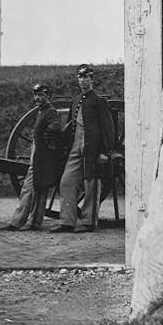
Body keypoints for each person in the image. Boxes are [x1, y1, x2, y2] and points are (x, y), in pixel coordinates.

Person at [52, 64, 115, 233]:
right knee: (66, 182)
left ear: (92, 79)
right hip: (75, 147)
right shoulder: (75, 100)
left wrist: (104, 151)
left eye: (86, 77)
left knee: (91, 185)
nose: (82, 80)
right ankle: (67, 221)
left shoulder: (98, 101)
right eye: (80, 77)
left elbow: (108, 129)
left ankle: (88, 222)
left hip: (92, 148)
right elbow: (69, 127)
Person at [1, 82, 62, 232]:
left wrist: (45, 137)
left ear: (48, 96)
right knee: (35, 188)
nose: (38, 98)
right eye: (36, 95)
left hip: (42, 154)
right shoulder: (41, 111)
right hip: (38, 153)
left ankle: (21, 222)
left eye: (41, 95)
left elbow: (56, 126)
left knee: (32, 188)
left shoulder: (51, 112)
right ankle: (32, 222)